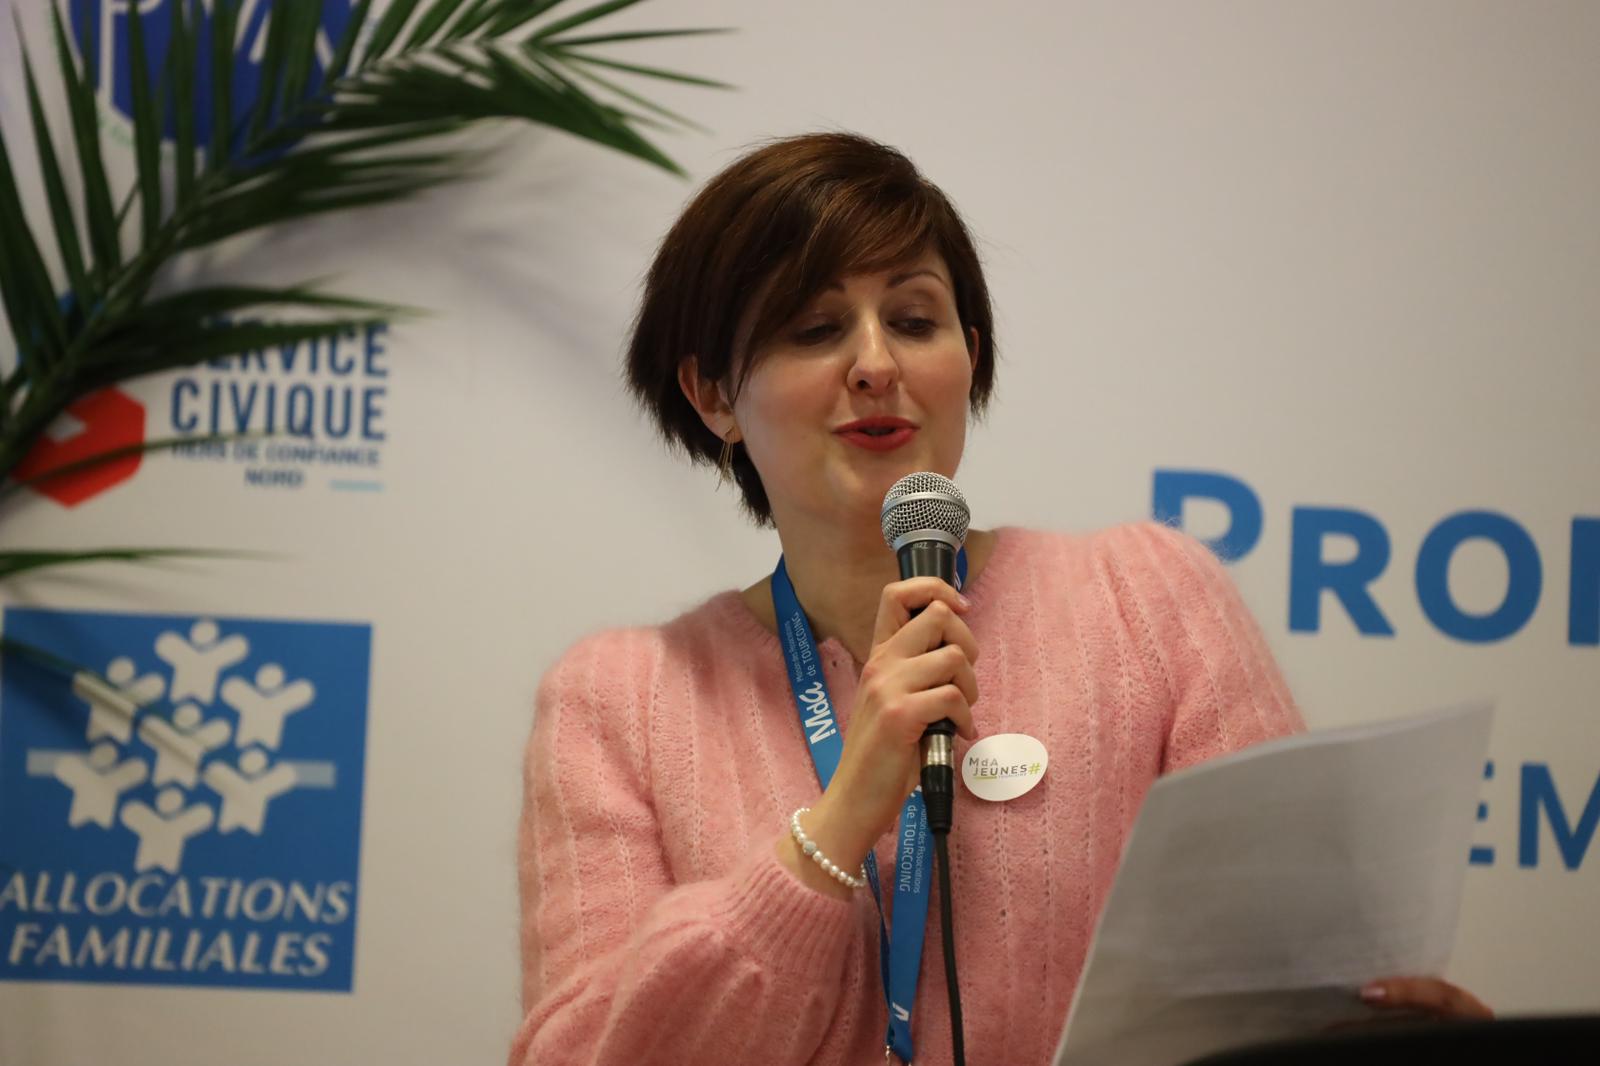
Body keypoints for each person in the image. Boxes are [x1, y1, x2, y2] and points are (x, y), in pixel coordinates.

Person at [508, 132, 1490, 1066]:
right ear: (713, 393)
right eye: (814, 328)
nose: (877, 364)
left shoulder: (1148, 601)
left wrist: (1381, 1036)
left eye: (914, 320)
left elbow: (1286, 984)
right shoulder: (618, 701)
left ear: (968, 356)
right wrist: (837, 824)